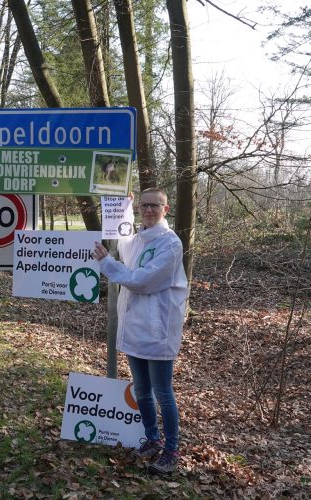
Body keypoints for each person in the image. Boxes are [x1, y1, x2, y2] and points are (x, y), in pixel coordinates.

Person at [92, 187, 188, 475]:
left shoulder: (170, 244)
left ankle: (171, 449)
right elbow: (123, 242)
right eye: (144, 206)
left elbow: (141, 280)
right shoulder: (139, 239)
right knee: (143, 392)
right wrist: (122, 206)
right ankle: (152, 439)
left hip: (157, 329)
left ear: (165, 209)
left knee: (162, 392)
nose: (148, 210)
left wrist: (106, 264)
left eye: (154, 206)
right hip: (135, 329)